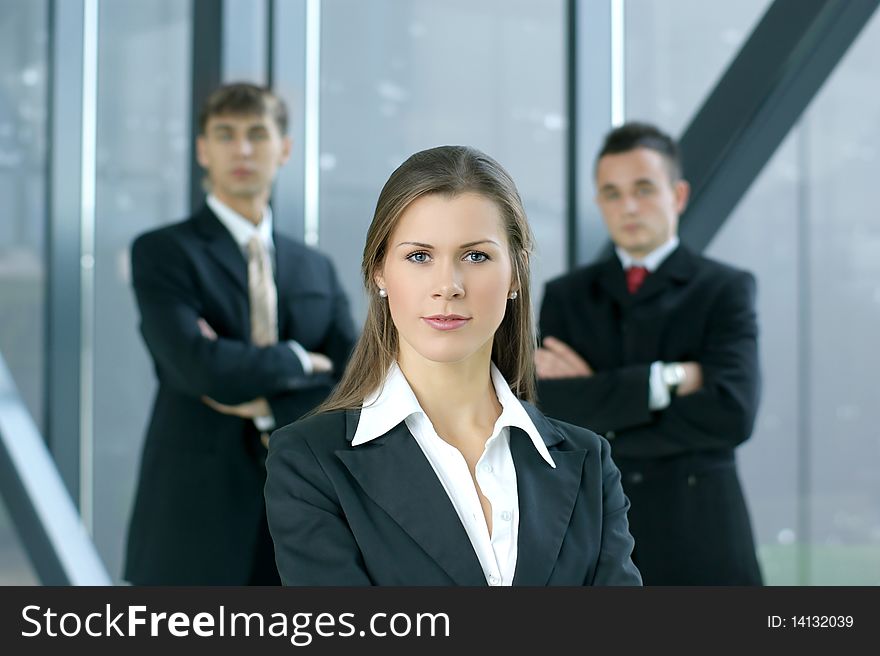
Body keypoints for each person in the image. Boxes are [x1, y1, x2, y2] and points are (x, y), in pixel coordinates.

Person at [264, 145, 642, 586]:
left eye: (476, 256)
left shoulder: (590, 464)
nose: (448, 286)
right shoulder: (310, 462)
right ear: (379, 272)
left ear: (516, 275)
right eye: (419, 256)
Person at [124, 83, 356, 585]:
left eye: (257, 134)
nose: (243, 150)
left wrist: (273, 405)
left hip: (305, 505)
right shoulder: (163, 252)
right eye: (225, 135)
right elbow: (197, 367)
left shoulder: (315, 267)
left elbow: (360, 382)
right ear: (203, 150)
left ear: (284, 149)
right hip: (192, 511)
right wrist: (300, 361)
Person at [535, 122, 762, 585]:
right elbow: (553, 418)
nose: (629, 207)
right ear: (599, 203)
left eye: (643, 189)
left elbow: (732, 414)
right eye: (612, 193)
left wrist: (601, 405)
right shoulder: (566, 296)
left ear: (677, 196)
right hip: (598, 533)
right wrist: (666, 382)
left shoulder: (724, 290)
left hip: (701, 534)